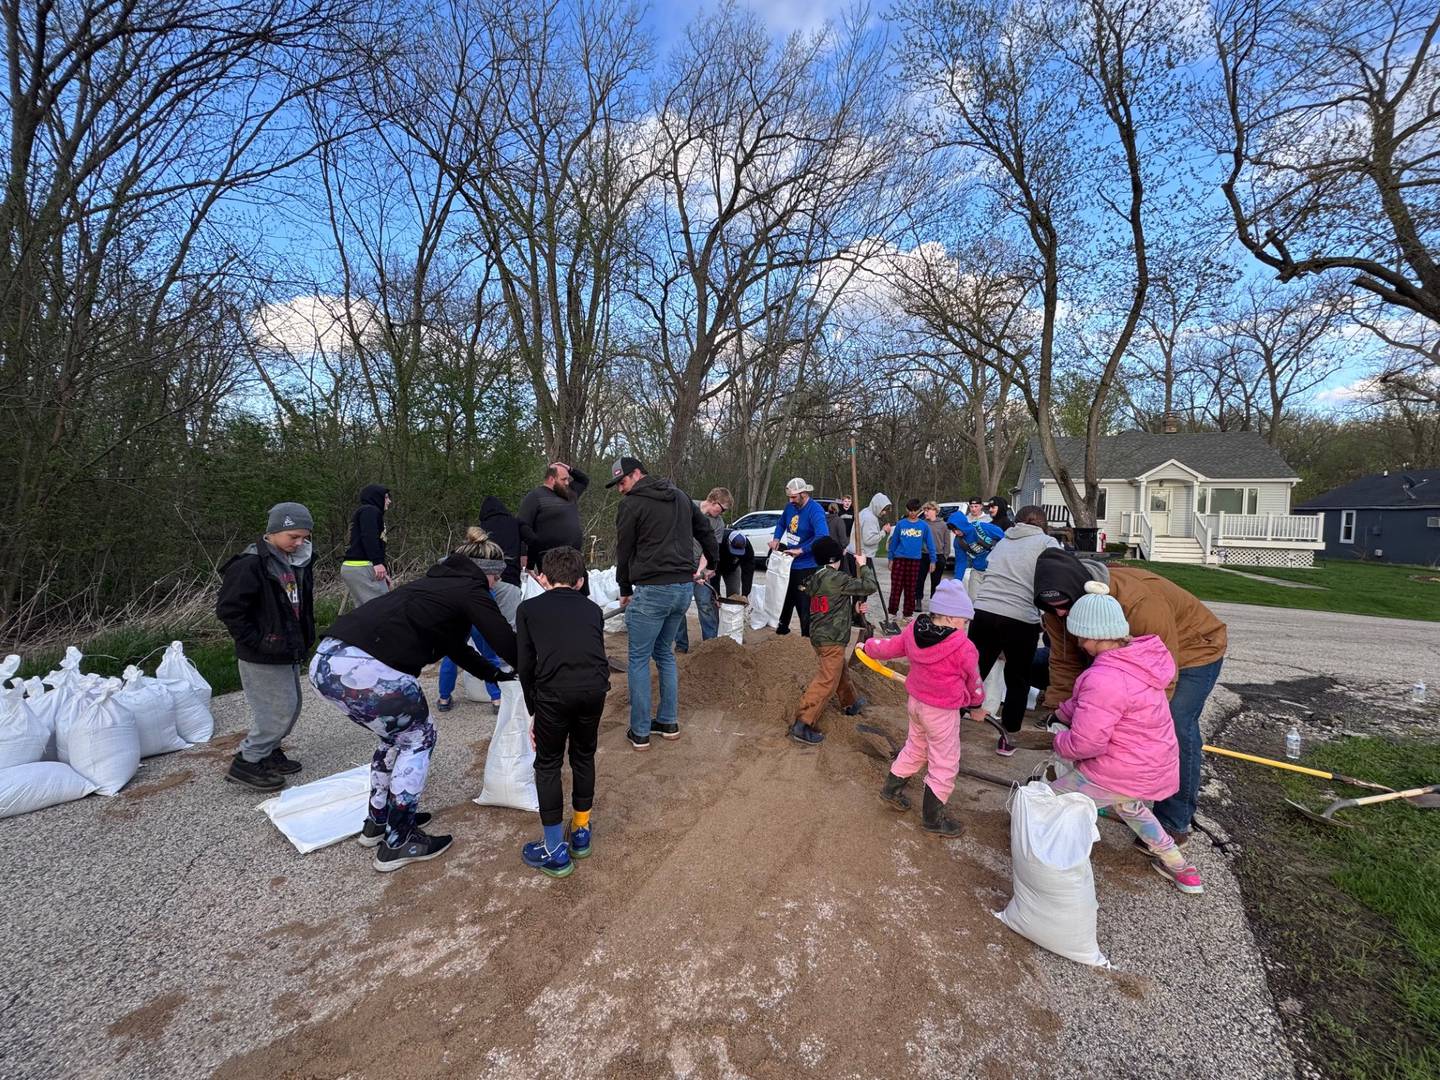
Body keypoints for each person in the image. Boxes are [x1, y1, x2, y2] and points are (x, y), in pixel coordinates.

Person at [309, 536, 518, 872]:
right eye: (497, 577)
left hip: (326, 661)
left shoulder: (434, 585)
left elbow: (456, 647)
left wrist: (496, 676)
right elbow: (506, 642)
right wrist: (538, 667)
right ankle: (400, 839)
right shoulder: (471, 588)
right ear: (488, 572)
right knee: (420, 738)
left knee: (395, 738)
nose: (496, 584)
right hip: (365, 666)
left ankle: (379, 822)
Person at [1033, 549, 1227, 846]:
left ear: (1079, 593)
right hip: (1122, 655)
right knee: (1100, 711)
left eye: (1064, 606)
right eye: (1051, 607)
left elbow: (1161, 675)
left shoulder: (1140, 603)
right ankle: (1108, 786)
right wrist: (1060, 714)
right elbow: (1064, 661)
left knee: (1172, 724)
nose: (1059, 613)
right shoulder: (1059, 608)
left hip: (1189, 651)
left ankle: (1173, 822)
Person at [1048, 582, 1204, 894]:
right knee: (1131, 807)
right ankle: (1180, 867)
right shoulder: (1139, 664)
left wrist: (1059, 742)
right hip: (1148, 764)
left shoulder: (1103, 679)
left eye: (1080, 636)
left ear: (1093, 636)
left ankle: (1044, 854)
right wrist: (1062, 712)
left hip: (1116, 770)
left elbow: (1088, 743)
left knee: (1049, 800)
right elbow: (1088, 704)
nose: (1079, 643)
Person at [610, 456, 717, 750]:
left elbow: (624, 549)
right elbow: (705, 531)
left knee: (639, 659)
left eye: (622, 481)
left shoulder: (632, 505)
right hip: (682, 590)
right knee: (665, 654)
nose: (620, 488)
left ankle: (641, 731)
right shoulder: (681, 497)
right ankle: (668, 722)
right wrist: (713, 562)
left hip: (652, 590)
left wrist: (624, 586)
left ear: (636, 474)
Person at [516, 547, 611, 879]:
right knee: (584, 756)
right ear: (581, 581)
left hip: (554, 695)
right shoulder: (592, 609)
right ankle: (581, 831)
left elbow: (526, 665)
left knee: (548, 765)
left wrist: (533, 711)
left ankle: (555, 849)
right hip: (594, 690)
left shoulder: (528, 609)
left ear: (543, 578)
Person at [865, 579, 986, 836]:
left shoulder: (913, 630)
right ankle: (933, 819)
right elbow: (974, 682)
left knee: (915, 747)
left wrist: (868, 647)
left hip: (917, 704)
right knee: (944, 761)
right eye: (965, 620)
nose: (966, 625)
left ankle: (891, 790)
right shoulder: (964, 647)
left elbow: (890, 647)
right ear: (952, 618)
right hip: (941, 712)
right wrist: (976, 706)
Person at [216, 502, 317, 792]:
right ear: (273, 532)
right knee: (277, 711)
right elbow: (229, 610)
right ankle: (247, 761)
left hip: (288, 647)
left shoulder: (298, 561)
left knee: (293, 705)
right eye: (293, 537)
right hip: (262, 653)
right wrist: (258, 640)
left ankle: (269, 751)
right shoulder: (250, 565)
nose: (299, 543)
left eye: (304, 538)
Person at [969, 506, 1061, 756]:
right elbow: (1055, 579)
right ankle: (1008, 737)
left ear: (1018, 522)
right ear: (1043, 524)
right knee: (1017, 677)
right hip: (1020, 617)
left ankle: (948, 720)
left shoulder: (1003, 541)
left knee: (972, 671)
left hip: (985, 610)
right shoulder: (1047, 542)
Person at [788, 536, 876, 745]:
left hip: (820, 636)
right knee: (827, 679)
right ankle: (803, 722)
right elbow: (868, 586)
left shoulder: (817, 577)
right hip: (832, 638)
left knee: (838, 669)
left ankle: (850, 702)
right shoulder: (836, 579)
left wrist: (853, 609)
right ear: (835, 557)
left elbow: (831, 604)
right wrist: (863, 566)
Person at [435, 528, 520, 715]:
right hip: (480, 612)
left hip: (455, 615)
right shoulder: (483, 578)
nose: (496, 580)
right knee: (489, 657)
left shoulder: (452, 564)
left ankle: (444, 697)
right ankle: (496, 698)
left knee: (451, 655)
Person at [769, 477, 829, 637]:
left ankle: (806, 637)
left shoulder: (815, 510)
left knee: (803, 602)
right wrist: (776, 538)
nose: (791, 500)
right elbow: (782, 523)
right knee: (785, 597)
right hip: (789, 563)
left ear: (803, 494)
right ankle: (782, 630)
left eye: (794, 497)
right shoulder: (790, 507)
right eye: (789, 497)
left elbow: (822, 535)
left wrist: (802, 550)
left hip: (807, 565)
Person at [677, 487, 733, 652]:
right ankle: (681, 646)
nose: (722, 513)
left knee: (705, 605)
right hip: (679, 566)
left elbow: (709, 549)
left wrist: (701, 571)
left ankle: (710, 646)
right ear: (714, 501)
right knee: (679, 606)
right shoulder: (687, 507)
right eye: (722, 509)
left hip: (699, 567)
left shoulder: (718, 524)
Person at [517, 461, 590, 586]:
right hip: (551, 560)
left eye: (568, 478)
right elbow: (523, 526)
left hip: (574, 557)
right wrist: (524, 555)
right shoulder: (534, 497)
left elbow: (584, 480)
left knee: (580, 596)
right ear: (551, 479)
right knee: (557, 598)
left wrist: (569, 468)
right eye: (564, 479)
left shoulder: (569, 493)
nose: (567, 482)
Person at [885, 498, 937, 621]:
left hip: (915, 560)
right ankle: (892, 612)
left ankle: (907, 613)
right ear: (907, 510)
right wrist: (890, 558)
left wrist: (933, 560)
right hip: (899, 559)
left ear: (919, 510)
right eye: (910, 510)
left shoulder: (923, 526)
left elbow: (930, 544)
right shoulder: (901, 524)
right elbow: (894, 542)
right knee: (896, 587)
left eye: (915, 511)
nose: (913, 513)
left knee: (911, 588)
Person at [341, 484, 390, 608]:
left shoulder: (370, 512)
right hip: (361, 566)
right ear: (376, 497)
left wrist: (382, 569)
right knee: (380, 609)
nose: (389, 501)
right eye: (386, 497)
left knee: (365, 611)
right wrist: (377, 563)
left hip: (364, 567)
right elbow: (368, 537)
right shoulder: (369, 510)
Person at [947, 509, 1005, 598]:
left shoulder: (982, 527)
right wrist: (957, 581)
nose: (956, 532)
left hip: (996, 570)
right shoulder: (958, 542)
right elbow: (961, 562)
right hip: (978, 570)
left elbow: (1004, 538)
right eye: (953, 530)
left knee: (994, 599)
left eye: (956, 529)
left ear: (962, 524)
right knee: (973, 599)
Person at [479, 495, 534, 587]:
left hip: (488, 578)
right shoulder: (515, 522)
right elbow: (533, 539)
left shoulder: (481, 527)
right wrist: (530, 563)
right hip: (511, 575)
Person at [848, 492, 892, 561]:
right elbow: (869, 540)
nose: (884, 513)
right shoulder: (870, 518)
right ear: (877, 506)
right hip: (862, 556)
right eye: (883, 509)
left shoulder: (865, 512)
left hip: (856, 553)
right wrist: (884, 532)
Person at [921, 501, 950, 600]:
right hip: (924, 555)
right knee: (919, 580)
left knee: (936, 581)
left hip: (938, 555)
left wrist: (944, 557)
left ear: (935, 511)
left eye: (927, 510)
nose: (925, 513)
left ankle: (934, 601)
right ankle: (918, 600)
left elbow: (947, 542)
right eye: (924, 510)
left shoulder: (943, 525)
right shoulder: (922, 524)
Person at [718, 527, 755, 598]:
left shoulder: (747, 546)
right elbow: (713, 568)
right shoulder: (719, 541)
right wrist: (716, 593)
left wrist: (745, 594)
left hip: (733, 567)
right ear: (729, 542)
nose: (736, 554)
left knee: (734, 596)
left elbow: (748, 570)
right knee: (713, 597)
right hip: (716, 566)